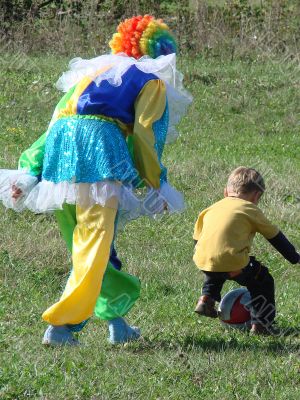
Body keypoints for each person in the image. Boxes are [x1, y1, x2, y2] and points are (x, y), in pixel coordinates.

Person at [0, 15, 192, 345]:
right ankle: (63, 325)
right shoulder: (151, 81)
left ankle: (116, 321)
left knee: (88, 241)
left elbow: (56, 122)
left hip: (62, 149)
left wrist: (31, 171)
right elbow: (146, 136)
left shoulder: (92, 74)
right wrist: (156, 182)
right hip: (101, 151)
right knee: (94, 240)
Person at [193, 166, 299, 335]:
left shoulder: (209, 209)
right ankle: (261, 325)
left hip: (204, 258)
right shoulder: (250, 209)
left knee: (216, 270)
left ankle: (206, 299)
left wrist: (206, 258)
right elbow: (275, 237)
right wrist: (294, 257)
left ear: (226, 192)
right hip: (234, 262)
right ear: (256, 196)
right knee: (262, 281)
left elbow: (197, 238)